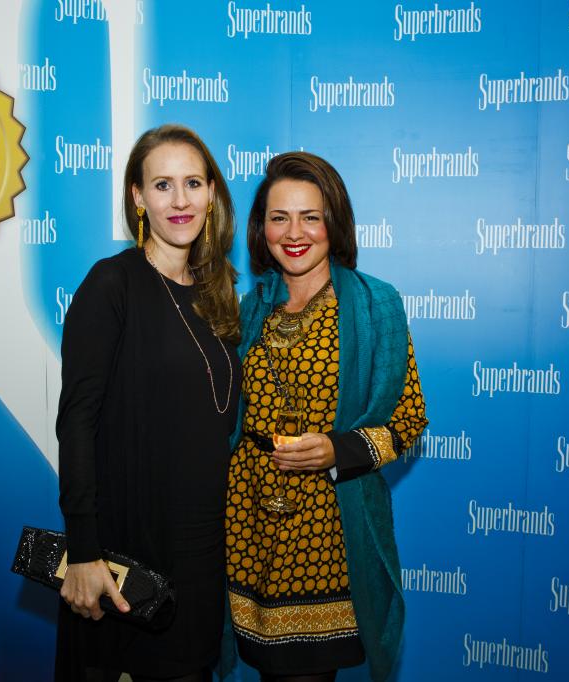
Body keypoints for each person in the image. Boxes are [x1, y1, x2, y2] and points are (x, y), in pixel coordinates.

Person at [225, 152, 427, 682]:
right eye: (279, 218)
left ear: (333, 222)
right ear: (261, 228)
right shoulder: (249, 309)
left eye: (310, 217)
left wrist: (341, 449)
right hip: (249, 531)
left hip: (329, 537)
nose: (294, 233)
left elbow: (408, 418)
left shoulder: (375, 305)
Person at [56, 124, 241, 682]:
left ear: (211, 193)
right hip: (129, 551)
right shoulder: (112, 284)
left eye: (192, 183)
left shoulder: (218, 294)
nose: (180, 200)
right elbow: (77, 421)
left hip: (202, 553)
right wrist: (84, 552)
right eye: (162, 185)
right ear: (138, 198)